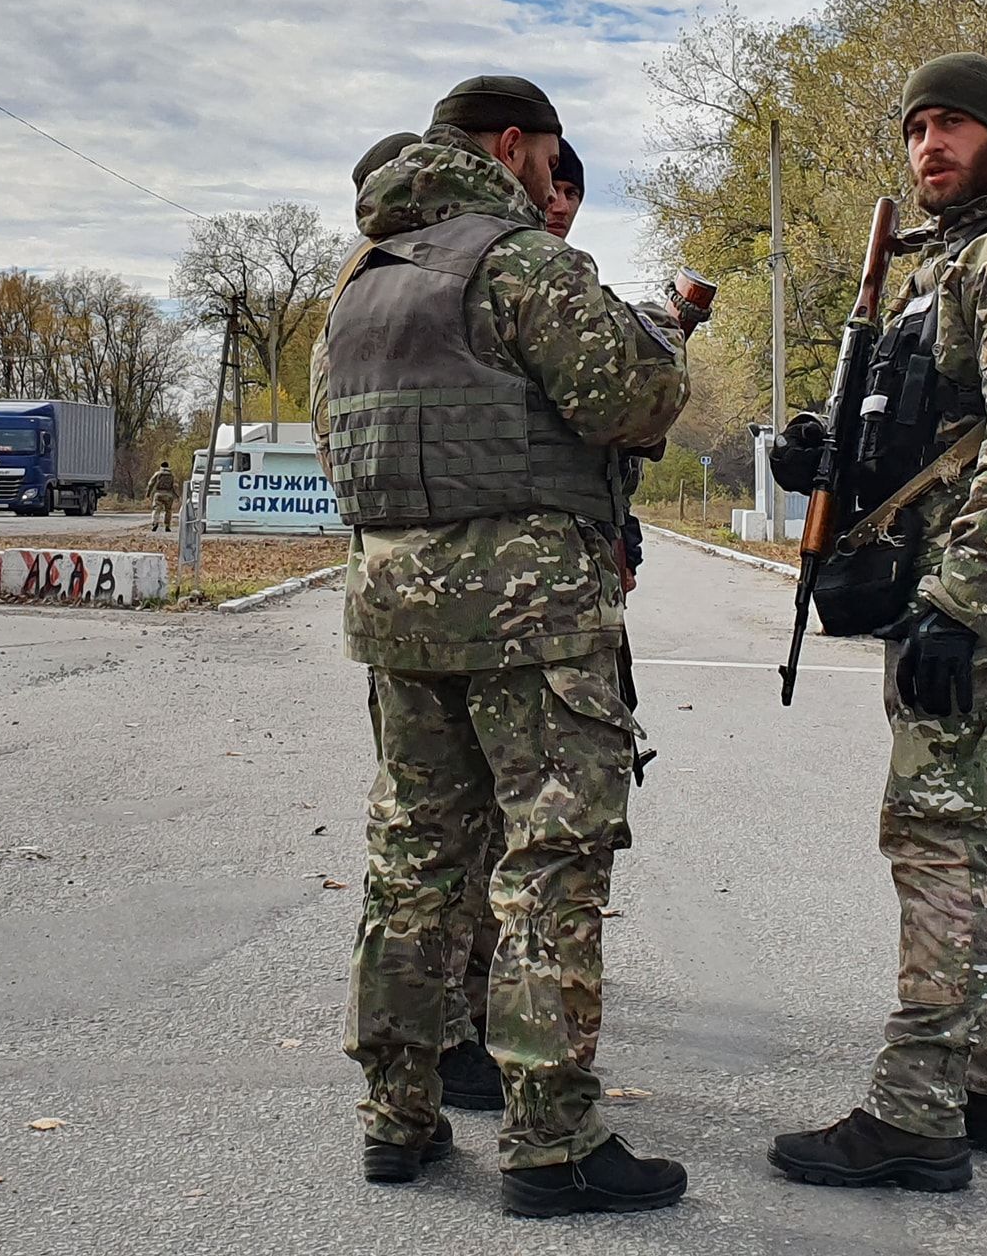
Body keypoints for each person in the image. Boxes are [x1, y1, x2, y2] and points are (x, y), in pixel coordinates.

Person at [316, 75, 693, 1217]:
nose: (549, 181)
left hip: (395, 611)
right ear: (516, 147)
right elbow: (632, 404)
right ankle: (549, 1141)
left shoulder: (359, 285)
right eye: (549, 159)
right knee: (547, 862)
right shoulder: (518, 259)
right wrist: (659, 342)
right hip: (527, 613)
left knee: (413, 858)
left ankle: (397, 1116)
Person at [766, 55, 987, 1191]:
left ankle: (915, 1112)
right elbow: (930, 420)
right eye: (913, 129)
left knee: (936, 831)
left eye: (950, 124)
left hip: (969, 593)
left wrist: (961, 599)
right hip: (951, 582)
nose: (927, 147)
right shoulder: (952, 262)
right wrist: (822, 452)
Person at [147, 461, 179, 531]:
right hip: (169, 495)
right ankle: (167, 525)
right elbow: (174, 486)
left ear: (161, 467)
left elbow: (150, 484)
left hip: (158, 494)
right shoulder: (171, 475)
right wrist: (176, 496)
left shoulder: (158, 474)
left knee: (156, 509)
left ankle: (155, 523)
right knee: (168, 511)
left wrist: (148, 493)